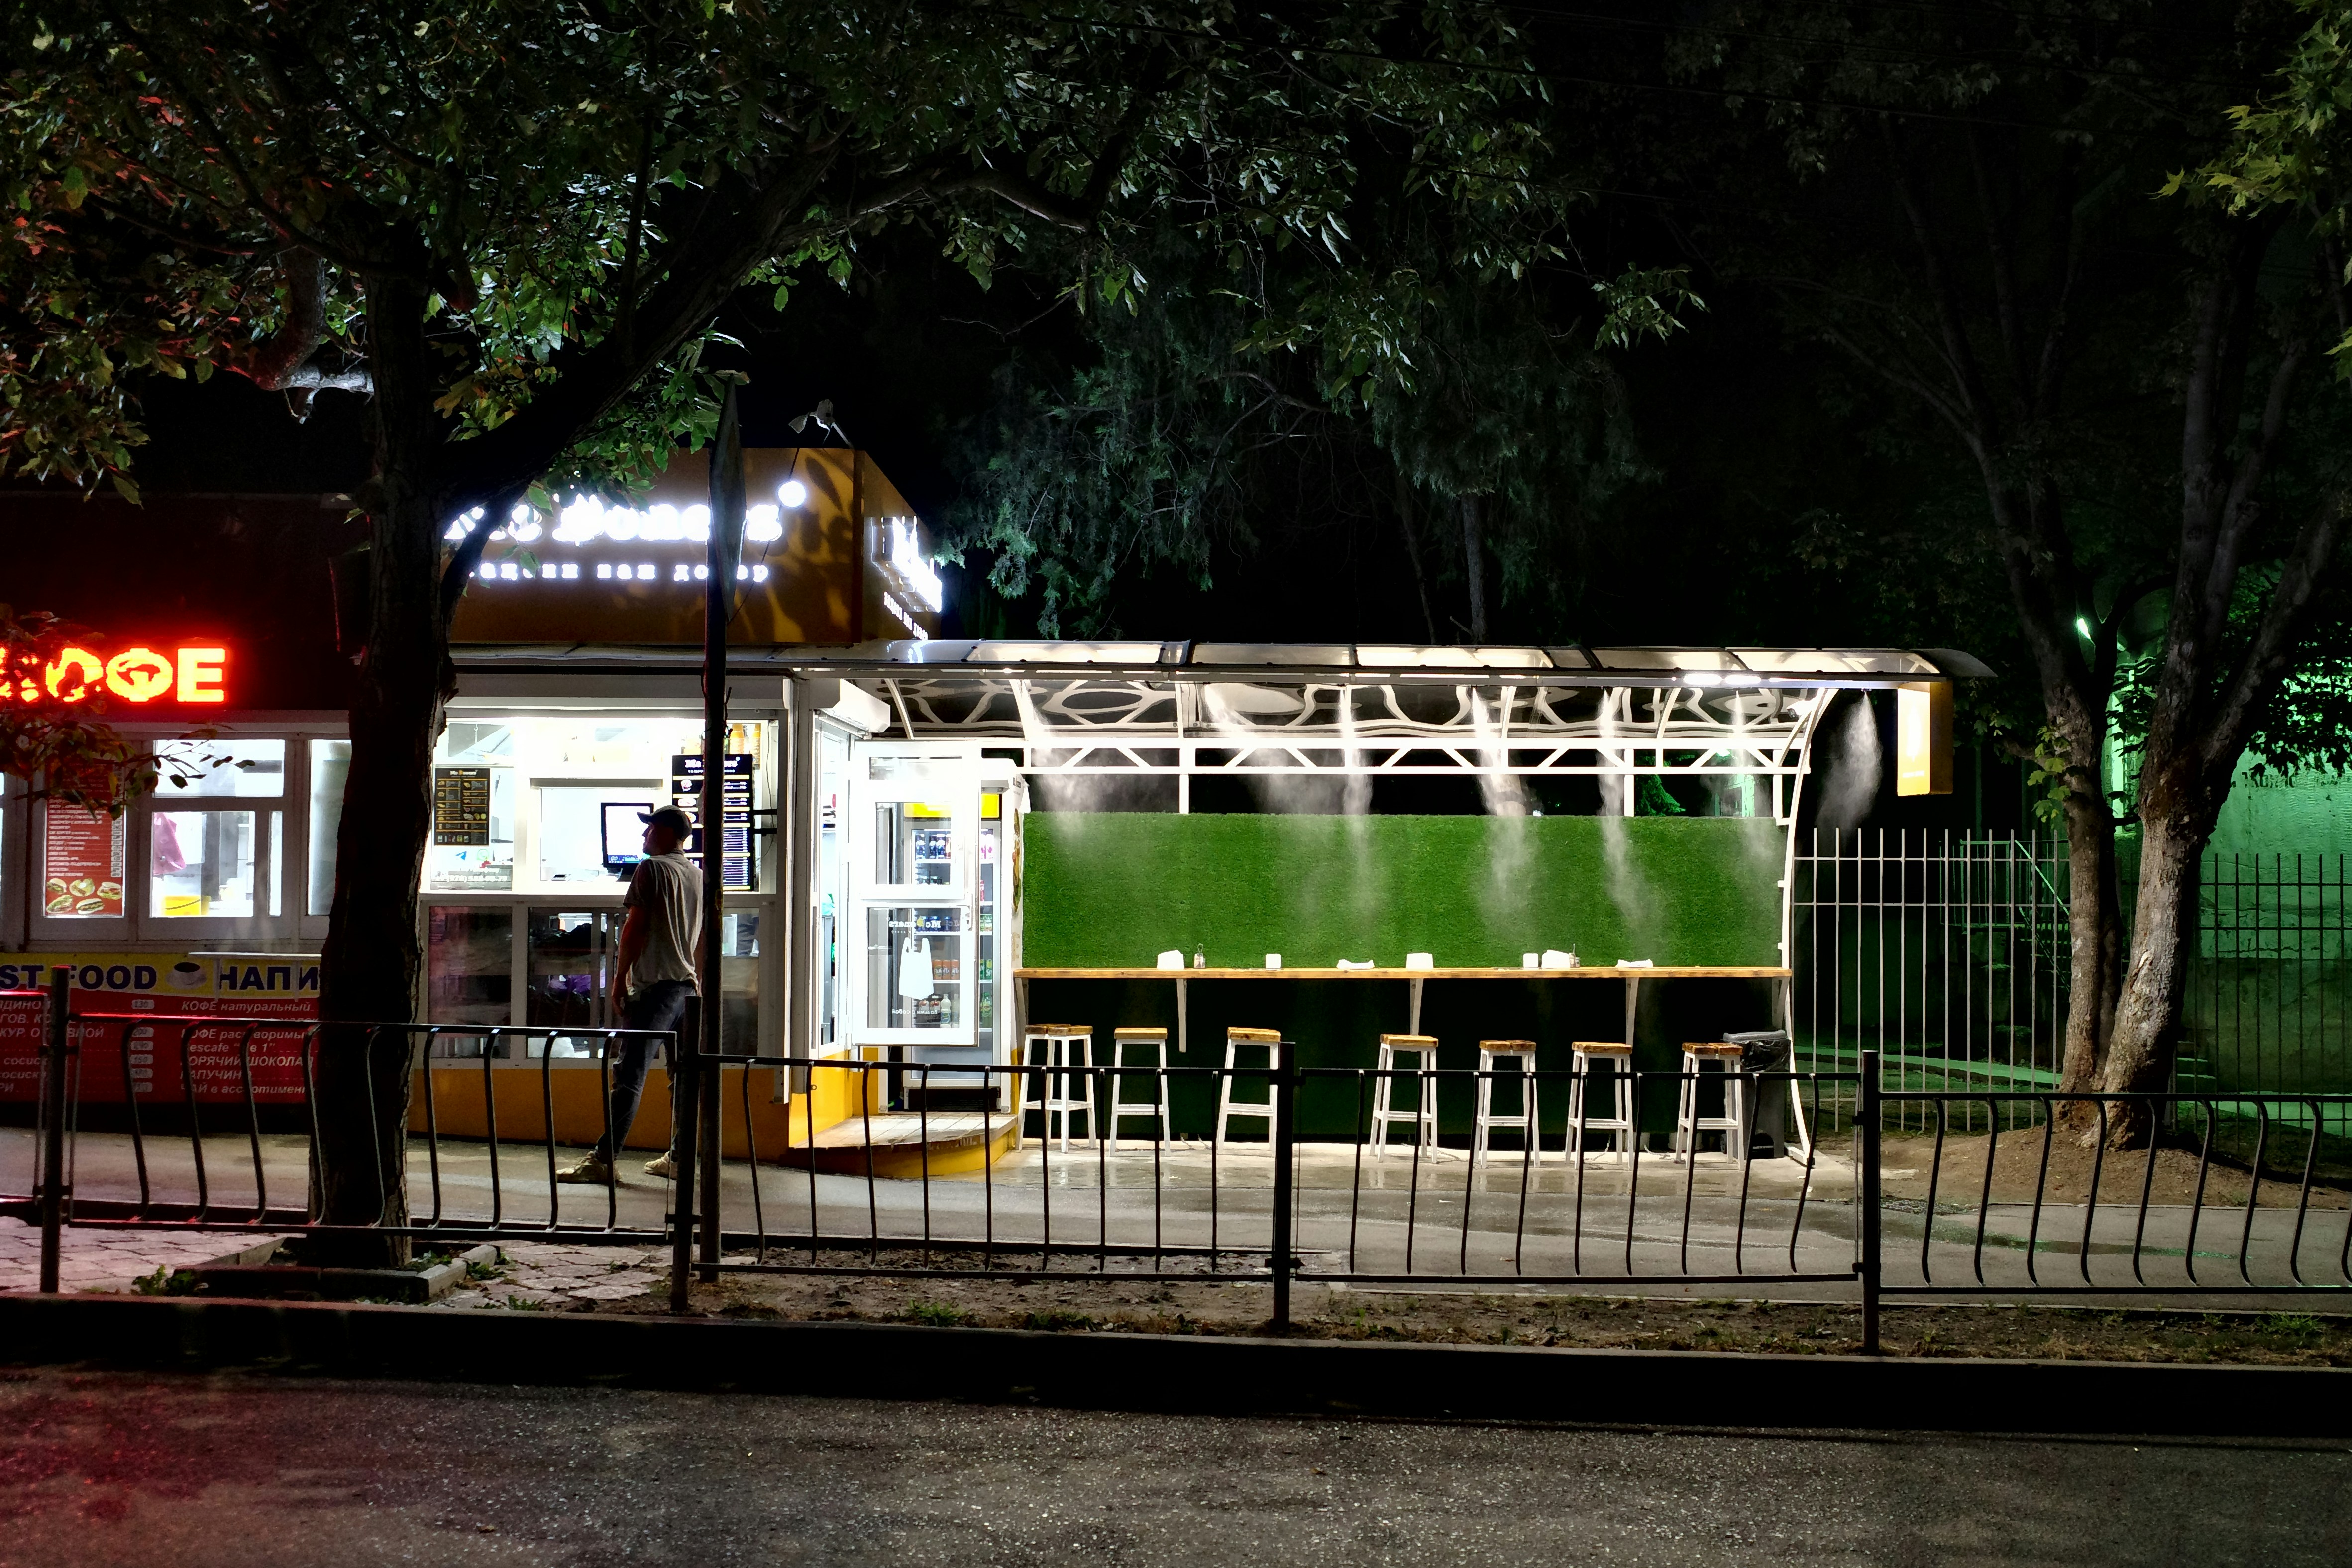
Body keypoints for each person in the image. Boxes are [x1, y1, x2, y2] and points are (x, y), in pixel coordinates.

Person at [557, 804, 701, 1185]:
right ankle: (680, 1158)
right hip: (687, 988)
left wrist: (620, 978)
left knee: (629, 1075)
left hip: (654, 987)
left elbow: (635, 928)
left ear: (667, 832)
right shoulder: (697, 875)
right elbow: (699, 936)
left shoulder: (651, 869)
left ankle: (603, 1161)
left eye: (649, 828)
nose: (644, 835)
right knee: (683, 1077)